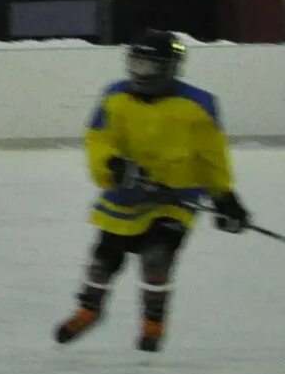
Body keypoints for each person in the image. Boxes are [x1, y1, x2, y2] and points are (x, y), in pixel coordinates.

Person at [54, 30, 247, 353]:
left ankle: (154, 320)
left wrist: (224, 196)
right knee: (103, 261)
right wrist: (113, 165)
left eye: (150, 66)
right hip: (127, 195)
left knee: (157, 259)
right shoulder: (114, 97)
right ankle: (89, 308)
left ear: (170, 68)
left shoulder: (199, 105)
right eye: (137, 64)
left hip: (176, 198)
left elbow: (212, 156)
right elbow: (98, 140)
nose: (140, 73)